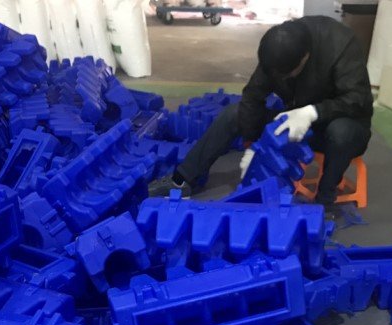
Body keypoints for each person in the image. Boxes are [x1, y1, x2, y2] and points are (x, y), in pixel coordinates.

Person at [148, 16, 374, 210]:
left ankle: (324, 201)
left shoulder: (340, 45)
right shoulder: (277, 51)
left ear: (305, 58)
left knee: (341, 132)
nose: (281, 79)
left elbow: (358, 99)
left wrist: (313, 112)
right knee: (234, 113)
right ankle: (183, 180)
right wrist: (251, 143)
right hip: (293, 122)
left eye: (288, 75)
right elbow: (253, 96)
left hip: (340, 125)